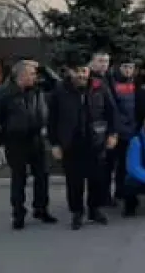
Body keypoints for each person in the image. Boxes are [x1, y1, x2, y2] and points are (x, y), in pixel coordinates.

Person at [48, 52, 118, 230]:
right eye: (77, 71)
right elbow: (52, 119)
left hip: (96, 141)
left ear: (89, 71)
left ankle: (95, 210)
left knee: (97, 179)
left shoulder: (99, 87)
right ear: (70, 72)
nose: (81, 75)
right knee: (74, 182)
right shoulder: (60, 90)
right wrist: (54, 143)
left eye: (84, 71)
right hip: (71, 143)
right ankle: (77, 212)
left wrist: (113, 134)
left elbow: (111, 112)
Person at [0, 60, 57, 230]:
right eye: (32, 74)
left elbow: (56, 84)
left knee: (42, 176)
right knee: (19, 178)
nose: (35, 76)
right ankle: (18, 214)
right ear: (21, 76)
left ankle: (41, 209)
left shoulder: (37, 89)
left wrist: (43, 67)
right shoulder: (4, 93)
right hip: (16, 142)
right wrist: (0, 139)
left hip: (36, 139)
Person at [105, 57, 137, 205]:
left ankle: (120, 191)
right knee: (109, 165)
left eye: (131, 68)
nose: (128, 70)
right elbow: (112, 108)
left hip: (130, 130)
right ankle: (105, 195)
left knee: (124, 164)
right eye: (125, 67)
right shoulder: (112, 83)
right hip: (116, 130)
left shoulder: (133, 82)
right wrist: (117, 127)